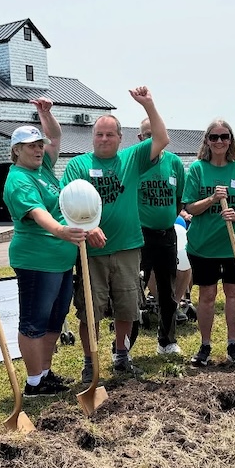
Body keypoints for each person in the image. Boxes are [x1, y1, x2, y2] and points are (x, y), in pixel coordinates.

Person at [60, 87, 170, 381]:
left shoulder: (131, 160)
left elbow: (161, 138)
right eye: (99, 134)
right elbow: (66, 205)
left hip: (127, 248)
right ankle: (89, 362)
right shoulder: (78, 165)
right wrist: (88, 227)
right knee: (89, 311)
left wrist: (148, 104)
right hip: (91, 253)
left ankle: (121, 355)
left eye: (110, 135)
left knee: (126, 306)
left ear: (120, 138)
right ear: (92, 137)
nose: (104, 139)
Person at [3, 99, 87, 397]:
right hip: (37, 260)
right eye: (31, 146)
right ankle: (34, 381)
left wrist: (45, 114)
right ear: (16, 151)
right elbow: (39, 215)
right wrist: (62, 231)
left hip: (61, 260)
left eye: (39, 145)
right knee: (34, 321)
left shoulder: (43, 167)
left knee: (54, 319)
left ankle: (46, 373)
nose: (38, 150)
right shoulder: (19, 180)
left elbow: (57, 137)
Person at [183, 120, 235, 366]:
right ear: (207, 140)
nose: (219, 141)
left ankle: (233, 344)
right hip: (204, 246)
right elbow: (189, 207)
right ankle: (205, 345)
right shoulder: (197, 170)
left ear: (230, 140)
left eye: (224, 137)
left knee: (234, 293)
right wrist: (213, 198)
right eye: (213, 137)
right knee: (207, 295)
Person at [136, 117, 185, 355]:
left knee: (168, 292)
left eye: (156, 135)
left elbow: (178, 201)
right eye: (147, 136)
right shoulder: (135, 163)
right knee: (135, 290)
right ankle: (124, 347)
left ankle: (166, 340)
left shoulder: (175, 163)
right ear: (140, 139)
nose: (152, 141)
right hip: (140, 236)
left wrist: (164, 220)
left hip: (167, 235)